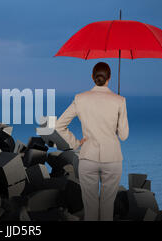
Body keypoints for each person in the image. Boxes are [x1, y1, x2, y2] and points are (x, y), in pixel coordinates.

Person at [55, 62, 129, 221]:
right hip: (112, 158)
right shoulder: (120, 100)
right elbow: (123, 136)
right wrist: (116, 124)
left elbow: (59, 125)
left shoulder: (80, 98)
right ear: (109, 78)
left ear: (92, 77)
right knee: (108, 207)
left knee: (90, 208)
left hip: (88, 157)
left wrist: (75, 143)